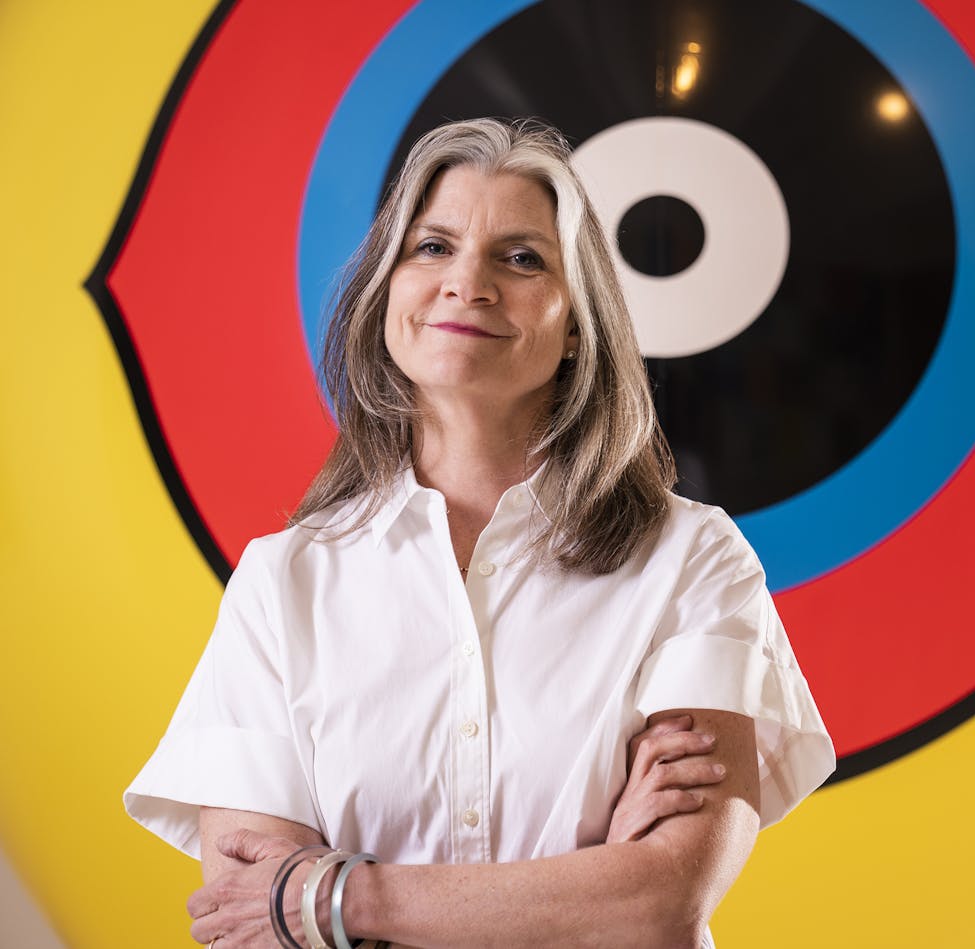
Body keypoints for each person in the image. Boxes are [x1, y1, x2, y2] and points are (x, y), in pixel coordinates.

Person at [124, 117, 834, 948]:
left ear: (578, 327)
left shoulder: (689, 561)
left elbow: (662, 896)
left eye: (522, 257)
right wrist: (590, 881)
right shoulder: (281, 584)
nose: (469, 282)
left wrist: (348, 900)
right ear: (387, 293)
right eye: (431, 246)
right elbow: (256, 916)